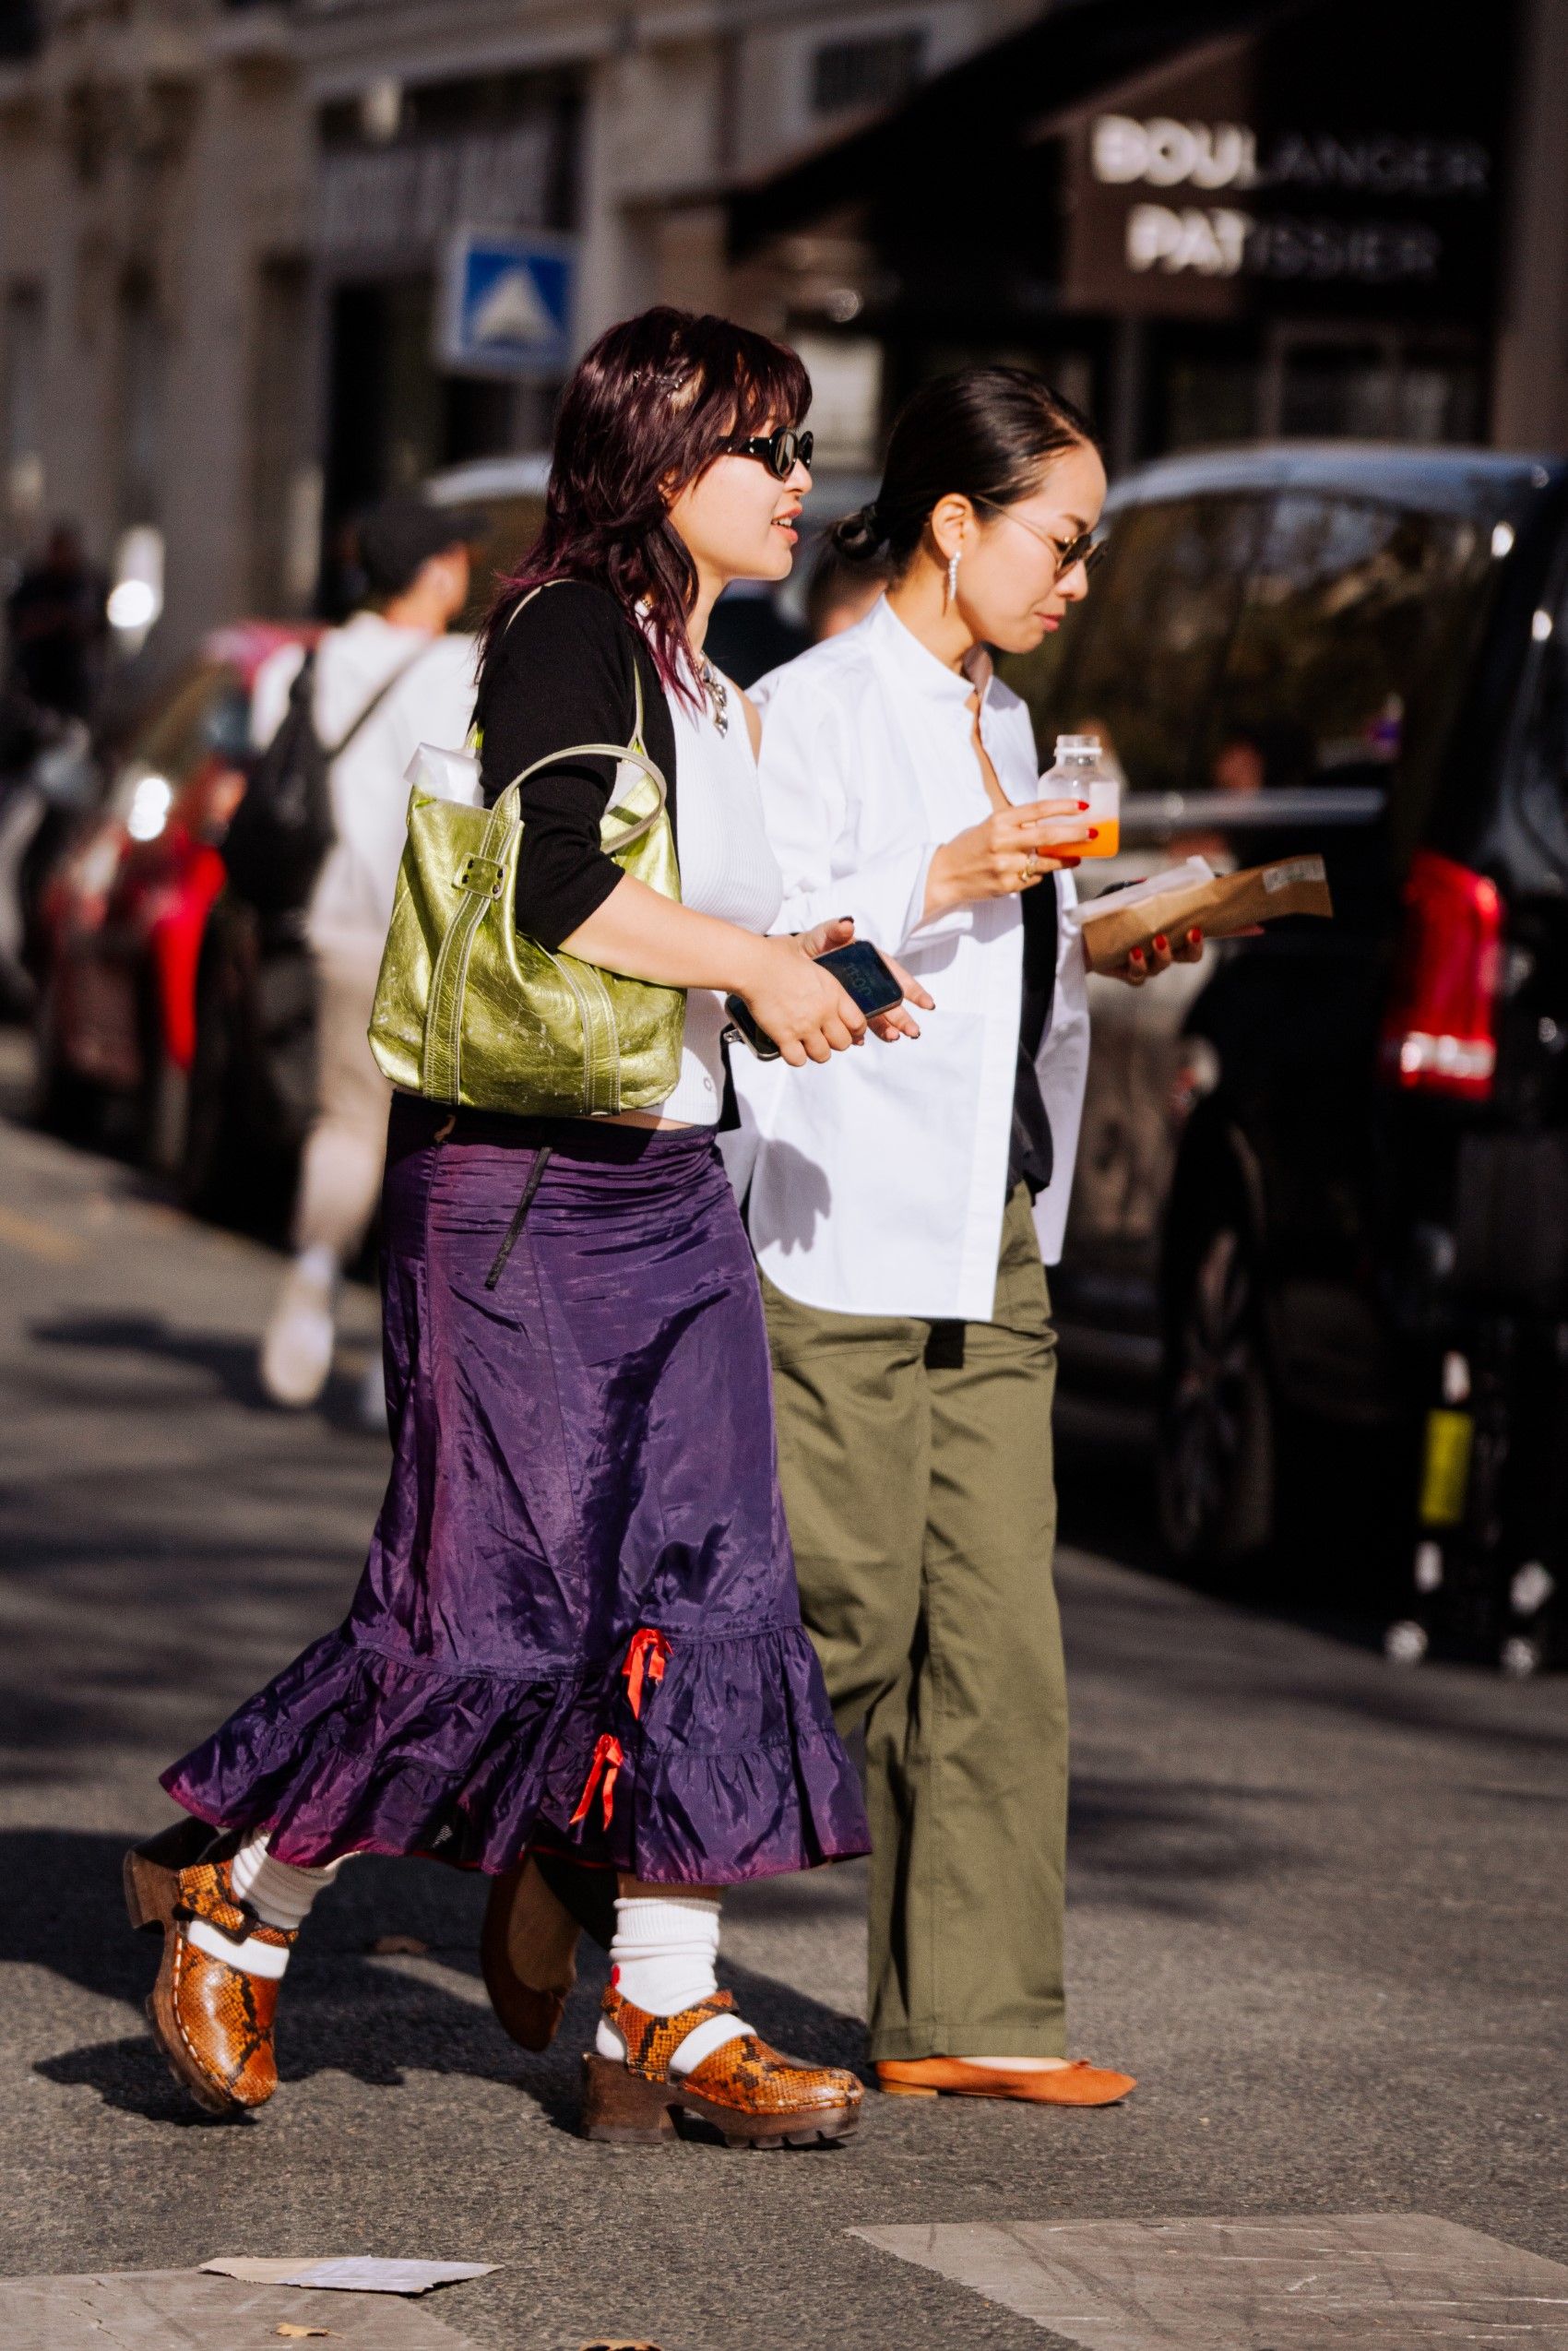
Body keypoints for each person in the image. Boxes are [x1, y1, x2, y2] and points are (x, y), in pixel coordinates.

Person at [126, 307, 927, 2148]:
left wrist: (804, 966)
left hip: (671, 1194)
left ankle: (668, 1999)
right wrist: (752, 965)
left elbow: (680, 927)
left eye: (803, 448)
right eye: (767, 449)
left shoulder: (714, 682)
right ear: (662, 461)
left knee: (710, 1594)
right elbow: (556, 884)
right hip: (522, 1199)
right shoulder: (570, 627)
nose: (800, 483)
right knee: (483, 1608)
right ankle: (243, 1899)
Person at [732, 367, 1199, 2105]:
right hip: (839, 1214)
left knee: (998, 1627)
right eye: (1061, 542)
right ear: (953, 524)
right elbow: (756, 955)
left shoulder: (1019, 726)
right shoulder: (805, 711)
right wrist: (942, 876)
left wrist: (1109, 932)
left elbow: (1009, 961)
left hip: (995, 1218)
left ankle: (971, 2005)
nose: (1079, 578)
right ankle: (595, 1865)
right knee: (841, 1614)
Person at [255, 492, 480, 1419]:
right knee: (433, 1139)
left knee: (347, 1118)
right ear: (435, 572)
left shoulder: (303, 664)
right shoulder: (463, 668)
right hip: (432, 933)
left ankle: (313, 1274)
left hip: (337, 923)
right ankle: (394, 1356)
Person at [6, 521, 106, 719]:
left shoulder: (87, 586)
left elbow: (97, 629)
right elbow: (19, 625)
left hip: (74, 682)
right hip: (35, 679)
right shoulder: (33, 585)